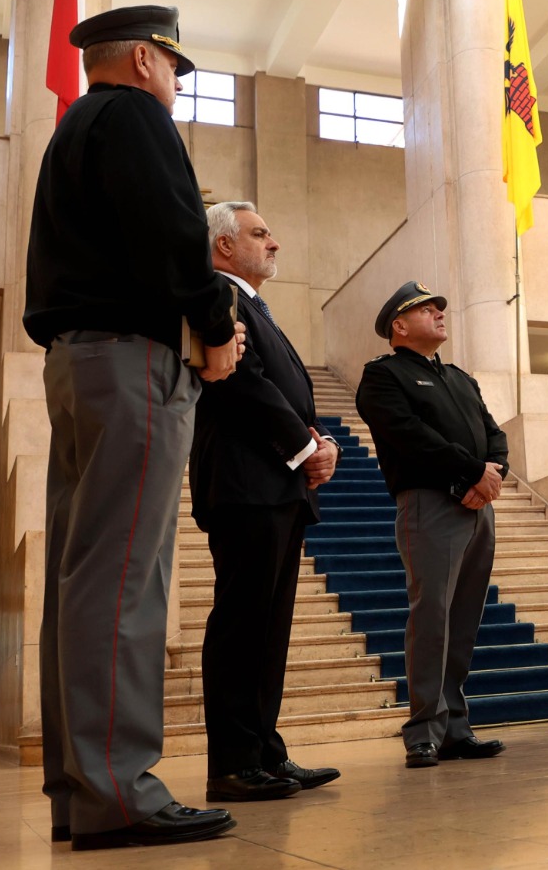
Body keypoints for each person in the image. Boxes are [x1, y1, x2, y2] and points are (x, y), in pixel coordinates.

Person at [24, 4, 245, 848]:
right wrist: (217, 323)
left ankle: (78, 789)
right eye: (174, 68)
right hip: (130, 363)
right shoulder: (137, 118)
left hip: (79, 363)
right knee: (124, 577)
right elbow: (174, 234)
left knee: (82, 579)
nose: (177, 85)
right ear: (148, 60)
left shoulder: (75, 127)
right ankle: (118, 791)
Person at [188, 202, 344, 802]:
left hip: (275, 484)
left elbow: (288, 392)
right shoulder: (221, 297)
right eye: (260, 234)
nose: (274, 243)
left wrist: (322, 442)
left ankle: (264, 754)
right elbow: (242, 383)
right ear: (225, 246)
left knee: (268, 630)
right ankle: (232, 764)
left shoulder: (254, 305)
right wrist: (305, 447)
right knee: (242, 624)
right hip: (245, 484)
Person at [354, 283, 509, 769]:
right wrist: (470, 473)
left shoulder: (459, 378)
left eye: (439, 307)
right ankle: (423, 730)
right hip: (429, 504)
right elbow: (409, 436)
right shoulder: (383, 376)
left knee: (463, 621)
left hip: (478, 507)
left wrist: (491, 474)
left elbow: (495, 435)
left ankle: (455, 729)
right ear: (399, 326)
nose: (439, 313)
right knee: (432, 619)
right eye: (425, 309)